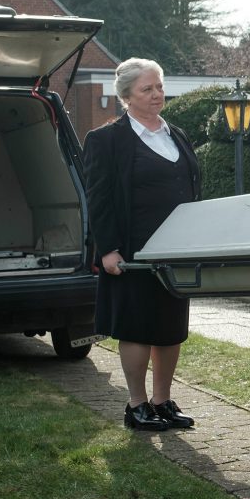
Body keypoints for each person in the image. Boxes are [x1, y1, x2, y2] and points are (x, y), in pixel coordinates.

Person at [83, 58, 203, 432]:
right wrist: (107, 249)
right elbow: (98, 198)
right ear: (126, 97)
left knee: (170, 326)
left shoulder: (176, 135)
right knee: (136, 327)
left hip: (175, 251)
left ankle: (162, 401)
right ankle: (136, 406)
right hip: (131, 252)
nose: (157, 95)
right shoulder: (106, 140)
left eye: (160, 87)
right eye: (147, 89)